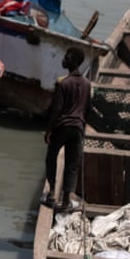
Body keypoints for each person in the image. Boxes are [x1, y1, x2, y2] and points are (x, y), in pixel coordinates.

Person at [41, 46, 90, 212]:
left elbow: (56, 110)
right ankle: (66, 201)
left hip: (62, 127)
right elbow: (87, 109)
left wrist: (49, 130)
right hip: (77, 129)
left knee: (50, 158)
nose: (64, 60)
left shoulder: (63, 83)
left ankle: (52, 195)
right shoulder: (87, 84)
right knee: (72, 165)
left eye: (67, 58)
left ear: (75, 62)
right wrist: (83, 130)